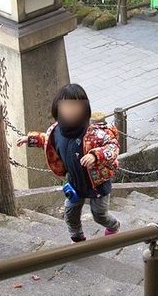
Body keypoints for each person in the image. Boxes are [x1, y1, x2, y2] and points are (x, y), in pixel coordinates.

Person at [16, 83, 121, 242]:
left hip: (97, 183)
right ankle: (77, 239)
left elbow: (113, 147)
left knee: (99, 215)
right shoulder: (56, 131)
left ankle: (114, 226)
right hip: (74, 182)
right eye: (66, 107)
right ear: (57, 109)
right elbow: (47, 141)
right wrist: (31, 139)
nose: (71, 111)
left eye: (76, 107)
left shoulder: (95, 134)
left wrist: (95, 155)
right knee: (70, 213)